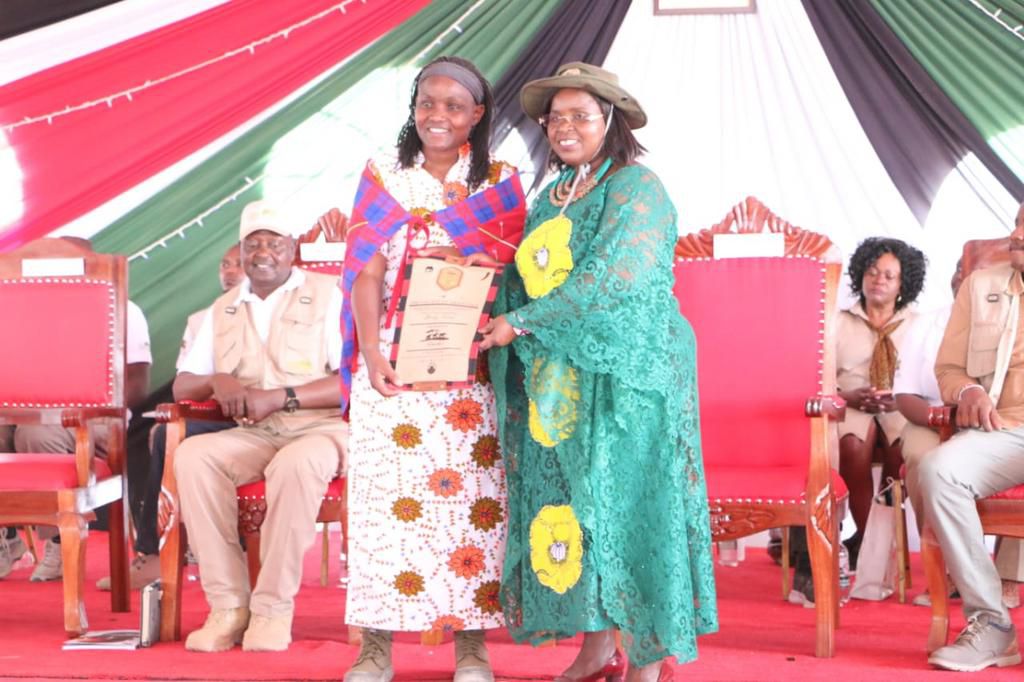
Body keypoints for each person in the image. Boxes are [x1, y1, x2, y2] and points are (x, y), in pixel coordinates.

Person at [479, 62, 717, 682]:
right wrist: (490, 292)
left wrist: (523, 321)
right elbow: (526, 278)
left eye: (579, 116)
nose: (564, 127)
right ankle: (595, 647)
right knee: (574, 511)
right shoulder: (552, 194)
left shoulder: (638, 186)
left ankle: (645, 653)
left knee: (628, 506)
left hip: (628, 377)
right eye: (554, 118)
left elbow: (616, 277)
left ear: (610, 121)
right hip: (561, 384)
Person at [341, 56, 526, 682]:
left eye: (453, 105)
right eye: (427, 102)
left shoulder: (501, 180)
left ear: (477, 114)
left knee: (474, 505)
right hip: (391, 363)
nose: (437, 115)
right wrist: (370, 351)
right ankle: (374, 648)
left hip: (469, 363)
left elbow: (520, 268)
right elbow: (365, 268)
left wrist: (467, 254)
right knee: (381, 506)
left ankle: (471, 646)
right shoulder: (383, 175)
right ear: (413, 107)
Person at [172, 200, 347, 653]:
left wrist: (285, 397)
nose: (262, 252)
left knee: (297, 463)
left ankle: (272, 608)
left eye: (274, 243)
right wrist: (217, 380)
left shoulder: (331, 294)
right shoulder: (224, 307)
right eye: (254, 244)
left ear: (293, 250)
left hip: (321, 428)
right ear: (243, 250)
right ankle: (229, 606)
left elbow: (352, 381)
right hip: (255, 432)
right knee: (193, 456)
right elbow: (182, 385)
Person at [94, 242, 245, 591]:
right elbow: (185, 385)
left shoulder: (301, 307)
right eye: (225, 264)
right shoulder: (201, 320)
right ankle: (153, 553)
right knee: (163, 434)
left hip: (278, 417)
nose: (231, 271)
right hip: (218, 415)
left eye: (238, 264)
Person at [1, 236, 152, 583]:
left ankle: (58, 538)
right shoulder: (24, 310)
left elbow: (138, 383)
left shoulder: (121, 307)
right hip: (29, 411)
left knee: (39, 433)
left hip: (95, 416)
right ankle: (8, 539)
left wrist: (92, 412)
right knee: (14, 429)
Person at [922, 201, 1024, 672]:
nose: (1016, 234)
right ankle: (992, 623)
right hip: (1004, 432)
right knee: (939, 469)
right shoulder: (981, 285)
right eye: (1019, 222)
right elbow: (948, 368)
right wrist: (968, 391)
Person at [897, 257, 1024, 609]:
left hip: (991, 424)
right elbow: (922, 384)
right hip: (971, 422)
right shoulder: (949, 309)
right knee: (932, 464)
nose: (1017, 234)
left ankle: (1010, 576)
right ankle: (980, 606)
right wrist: (963, 398)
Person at [835, 238, 925, 570]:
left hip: (901, 407)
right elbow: (819, 375)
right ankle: (866, 538)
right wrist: (847, 397)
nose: (879, 280)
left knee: (902, 450)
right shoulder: (837, 320)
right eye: (872, 272)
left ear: (903, 284)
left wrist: (899, 398)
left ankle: (879, 542)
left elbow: (928, 377)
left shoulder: (918, 325)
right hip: (850, 403)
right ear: (860, 275)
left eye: (889, 275)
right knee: (853, 446)